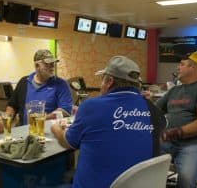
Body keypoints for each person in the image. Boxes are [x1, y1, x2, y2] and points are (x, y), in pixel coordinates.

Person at [51, 55, 166, 188]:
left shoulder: (91, 106)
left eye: (102, 80)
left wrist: (56, 128)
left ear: (109, 81)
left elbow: (68, 143)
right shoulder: (154, 110)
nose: (101, 85)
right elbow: (156, 143)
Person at [145, 52, 197, 188]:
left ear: (193, 67)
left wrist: (169, 133)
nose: (178, 68)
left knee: (186, 178)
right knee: (137, 160)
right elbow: (155, 112)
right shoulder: (174, 90)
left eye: (182, 65)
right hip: (169, 141)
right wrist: (144, 101)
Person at [6, 49, 73, 125]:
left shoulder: (61, 84)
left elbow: (65, 110)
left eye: (53, 63)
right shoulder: (24, 82)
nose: (52, 66)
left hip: (50, 130)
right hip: (24, 130)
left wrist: (43, 118)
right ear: (37, 66)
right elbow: (12, 105)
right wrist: (7, 122)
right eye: (47, 63)